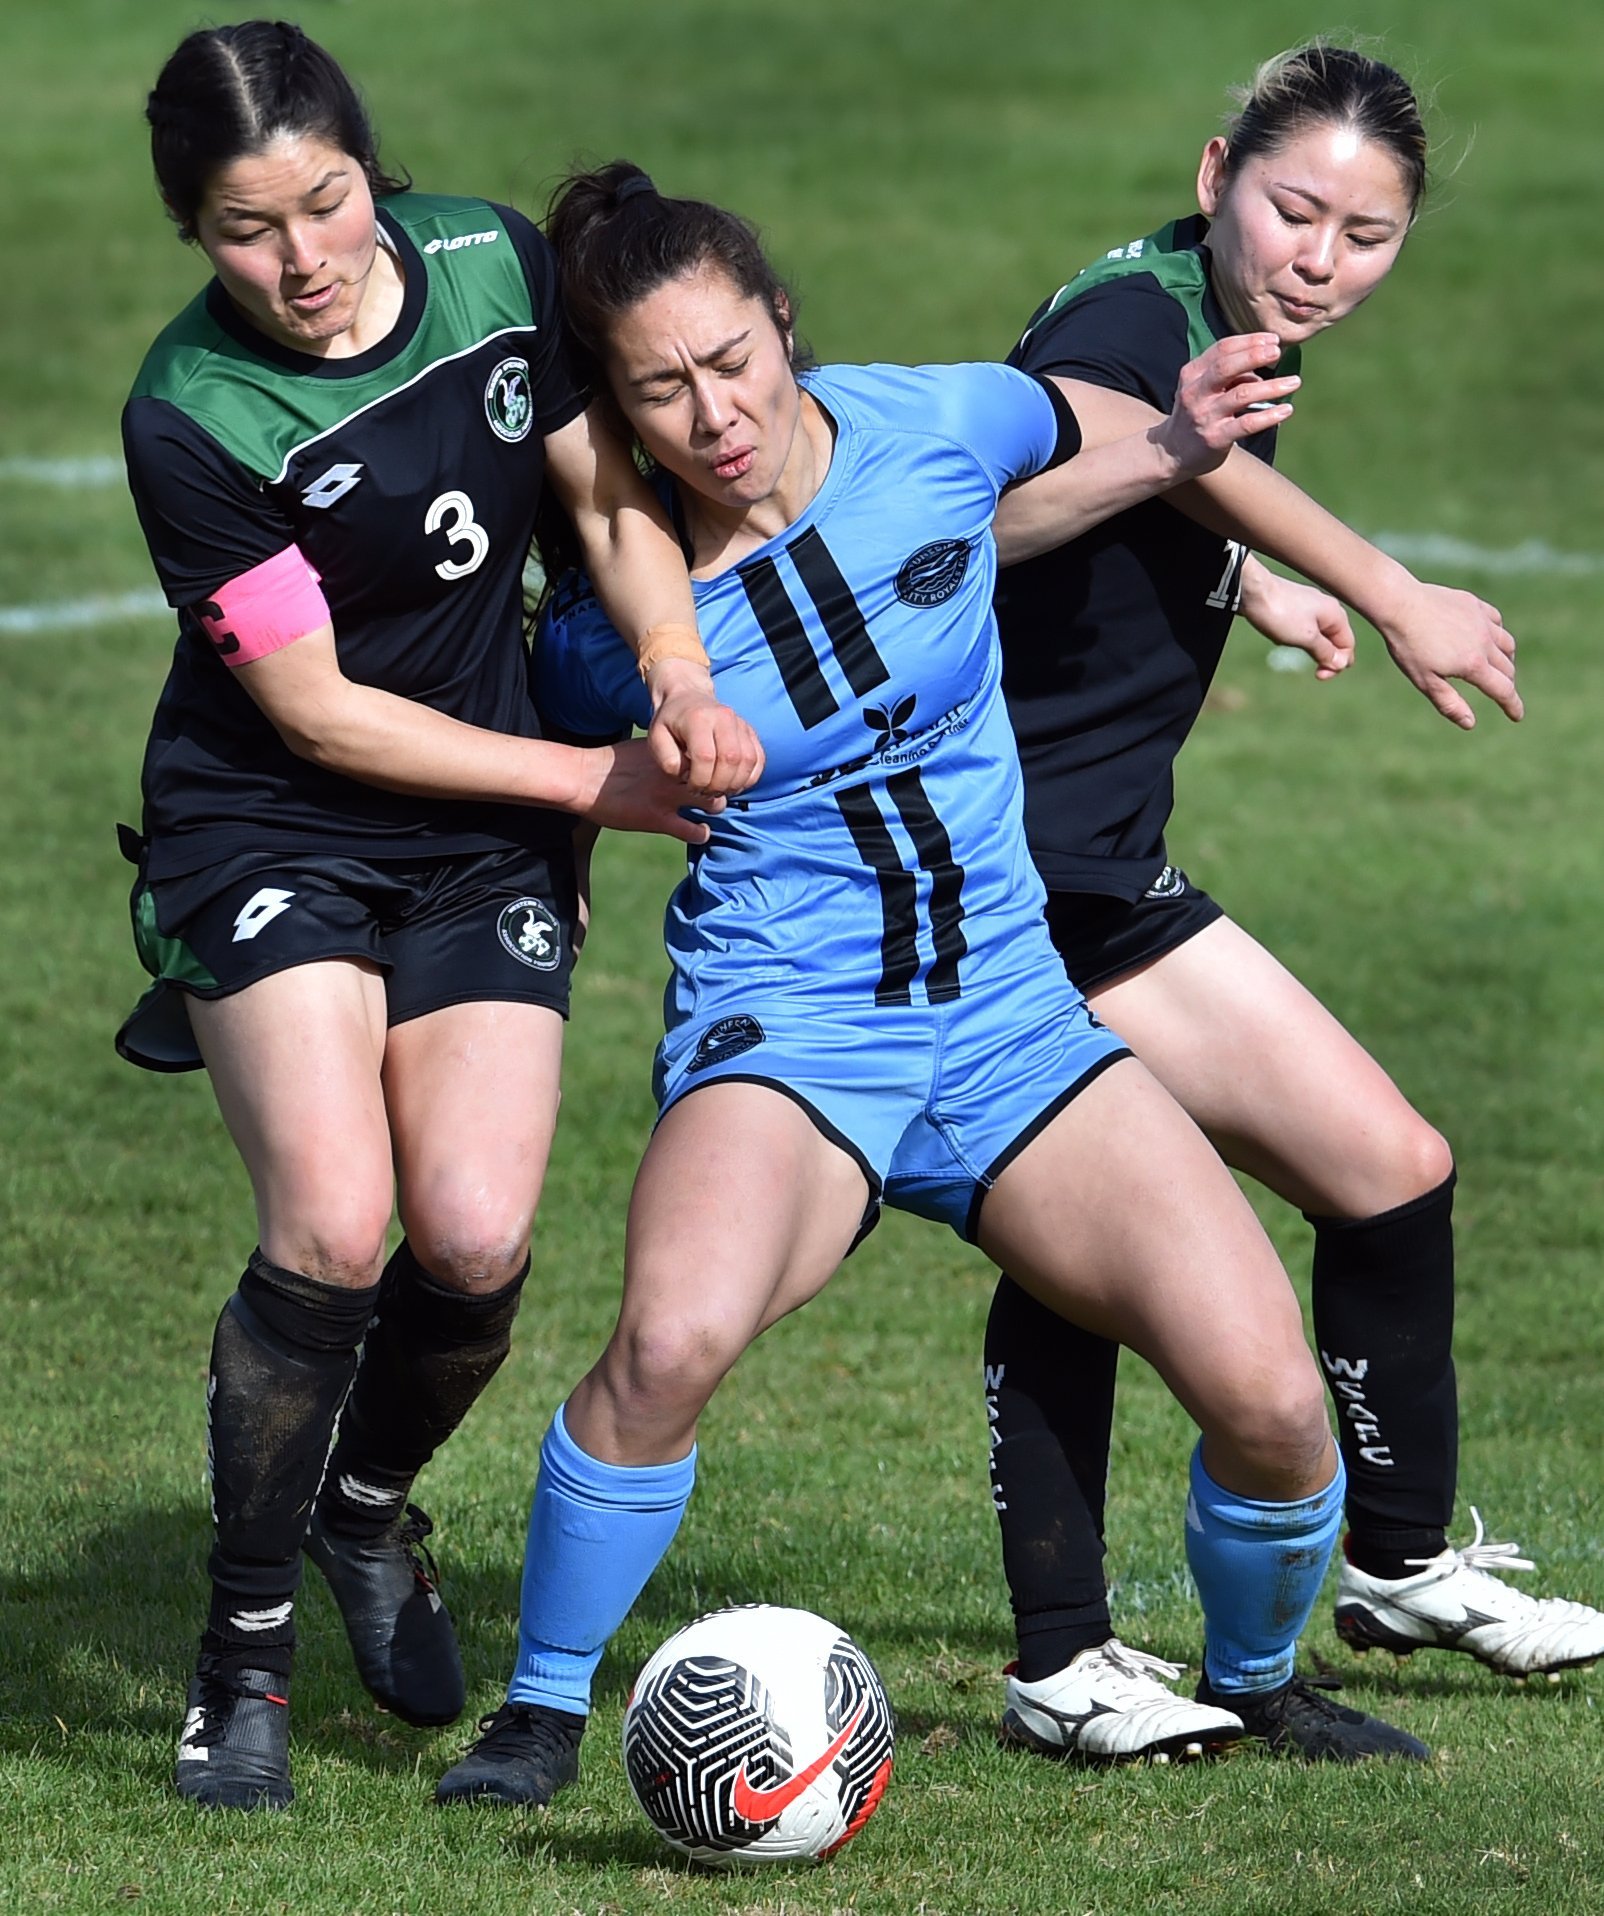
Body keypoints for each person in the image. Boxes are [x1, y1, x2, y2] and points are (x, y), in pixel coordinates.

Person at [430, 160, 1431, 1813]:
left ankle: (1257, 1688)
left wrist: (1204, 478)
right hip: (794, 1022)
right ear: (615, 412)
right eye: (663, 390)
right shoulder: (610, 616)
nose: (717, 416)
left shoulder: (939, 423)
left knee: (1269, 1398)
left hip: (1013, 1018)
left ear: (787, 330)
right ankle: (537, 1717)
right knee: (671, 1340)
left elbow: (1084, 453)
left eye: (736, 361)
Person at [118, 21, 761, 1813]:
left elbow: (607, 502)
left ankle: (364, 1506)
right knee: (332, 1223)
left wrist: (678, 667)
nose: (303, 262)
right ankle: (238, 1656)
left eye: (325, 203)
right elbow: (314, 711)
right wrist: (592, 786)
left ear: (370, 171)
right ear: (196, 233)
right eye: (248, 231)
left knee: (472, 1240)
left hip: (474, 837)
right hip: (278, 820)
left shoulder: (493, 263)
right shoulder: (193, 414)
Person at [979, 41, 1604, 1767]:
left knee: (1390, 1171)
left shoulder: (1220, 319)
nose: (1324, 255)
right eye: (1295, 208)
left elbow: (1155, 484)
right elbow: (1121, 444)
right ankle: (1065, 1656)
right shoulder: (1128, 316)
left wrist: (1240, 582)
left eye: (1369, 231)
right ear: (1213, 175)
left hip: (1105, 870)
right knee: (1086, 1253)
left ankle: (1400, 1566)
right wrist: (1388, 589)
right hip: (1001, 883)